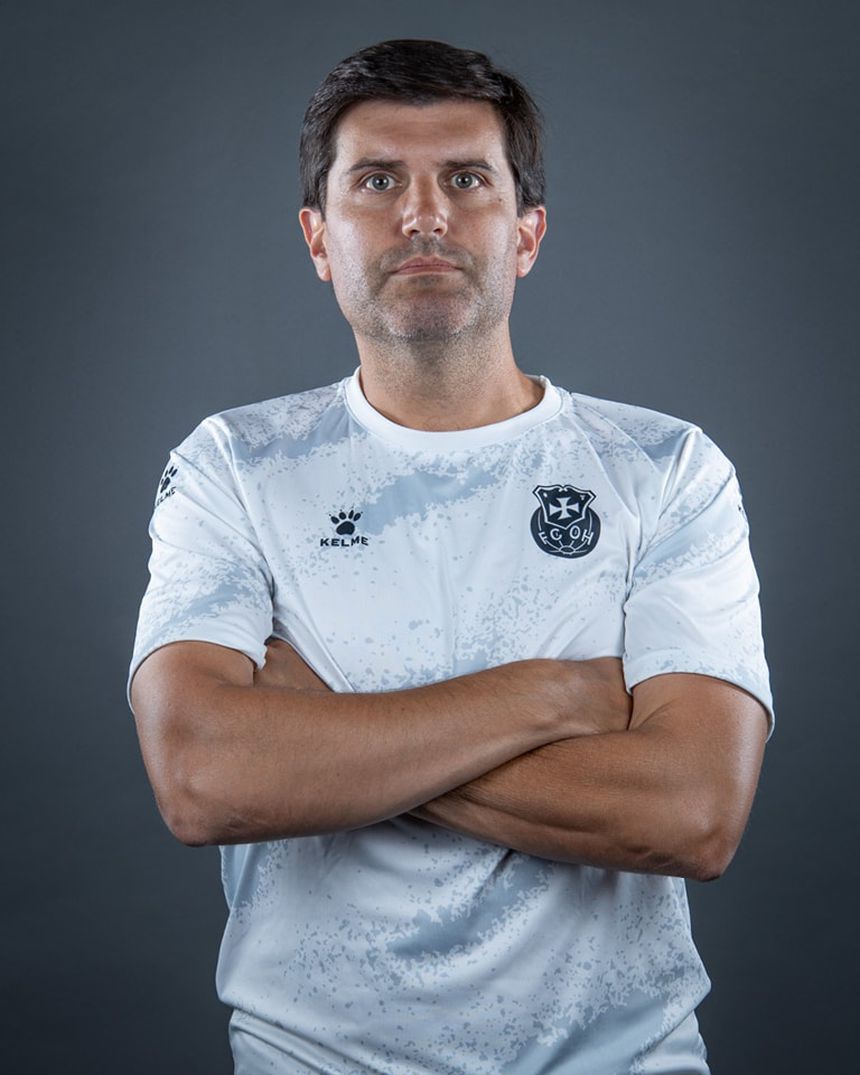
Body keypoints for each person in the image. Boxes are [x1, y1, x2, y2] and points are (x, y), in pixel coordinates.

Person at [128, 38, 774, 1075]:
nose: (423, 215)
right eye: (377, 180)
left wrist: (322, 732)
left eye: (466, 180)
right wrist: (551, 694)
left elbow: (689, 813)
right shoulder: (234, 466)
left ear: (526, 234)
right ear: (317, 237)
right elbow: (204, 779)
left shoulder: (665, 469)